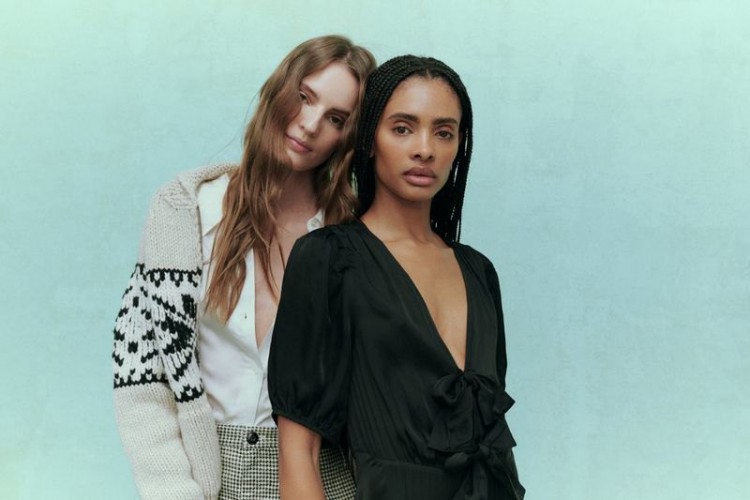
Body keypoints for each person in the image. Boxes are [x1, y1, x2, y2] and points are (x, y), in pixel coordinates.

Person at [112, 35, 376, 500]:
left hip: (323, 480)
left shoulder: (354, 238)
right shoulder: (186, 212)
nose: (310, 124)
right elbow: (141, 376)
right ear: (279, 89)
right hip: (204, 474)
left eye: (336, 119)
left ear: (349, 137)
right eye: (304, 97)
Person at [268, 55, 525, 500]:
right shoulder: (329, 258)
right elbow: (298, 453)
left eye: (443, 133)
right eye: (403, 128)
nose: (425, 149)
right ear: (370, 140)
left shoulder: (479, 271)